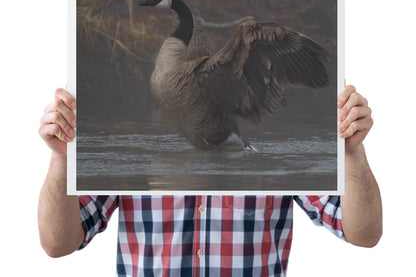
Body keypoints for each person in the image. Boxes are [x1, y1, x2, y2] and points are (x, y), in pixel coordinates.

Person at [38, 85, 382, 276]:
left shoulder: (268, 143)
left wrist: (351, 153)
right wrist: (61, 158)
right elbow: (58, 243)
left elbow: (363, 233)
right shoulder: (136, 141)